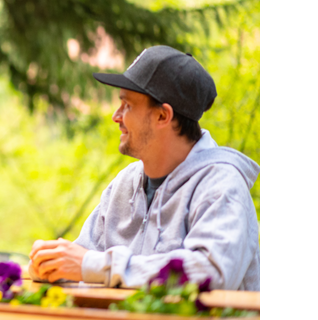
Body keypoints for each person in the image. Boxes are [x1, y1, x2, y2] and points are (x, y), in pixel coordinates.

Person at [28, 45, 259, 290]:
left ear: (163, 116)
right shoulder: (124, 184)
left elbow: (212, 273)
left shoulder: (222, 185)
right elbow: (83, 260)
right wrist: (51, 265)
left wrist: (93, 266)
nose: (116, 116)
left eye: (127, 105)